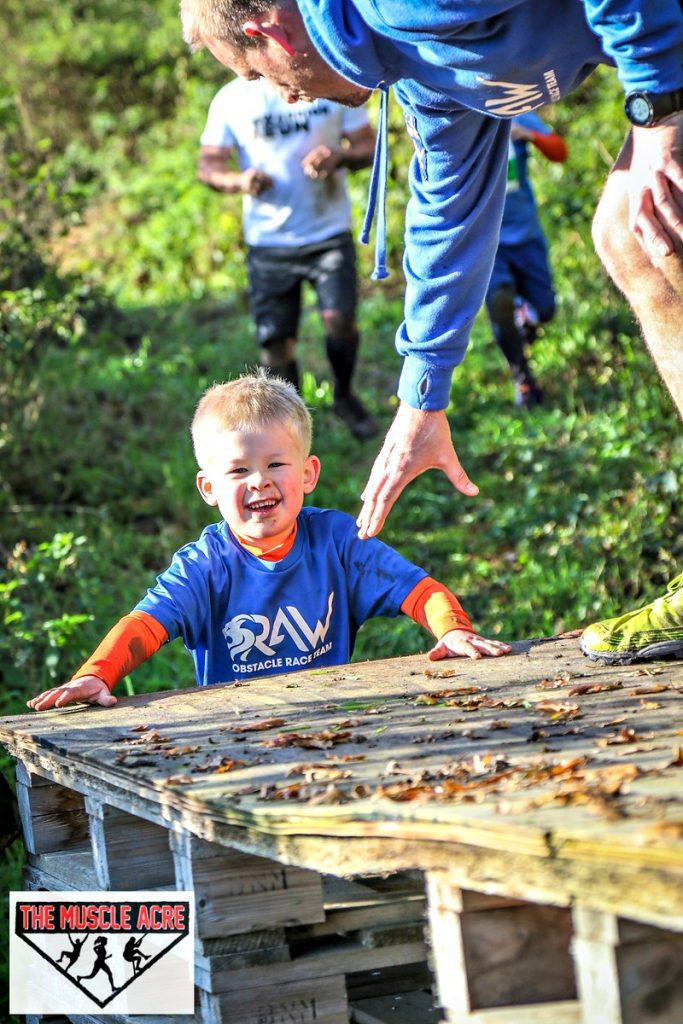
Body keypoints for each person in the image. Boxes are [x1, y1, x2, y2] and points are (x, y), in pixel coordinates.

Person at [178, 0, 683, 666]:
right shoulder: (418, 73)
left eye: (254, 73)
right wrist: (421, 397)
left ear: (266, 31)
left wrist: (657, 109)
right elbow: (448, 216)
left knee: (659, 217)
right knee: (635, 237)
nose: (283, 97)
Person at [27, 372, 509, 710]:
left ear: (308, 473)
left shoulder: (337, 540)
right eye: (238, 470)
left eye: (276, 464)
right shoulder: (204, 565)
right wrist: (97, 672)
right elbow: (145, 624)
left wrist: (452, 629)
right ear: (209, 490)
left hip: (332, 723)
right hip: (233, 735)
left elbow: (418, 590)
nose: (259, 482)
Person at [197, 76, 379, 440]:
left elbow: (368, 146)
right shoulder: (231, 98)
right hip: (268, 242)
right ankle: (288, 426)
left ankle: (344, 396)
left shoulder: (325, 79)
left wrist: (339, 156)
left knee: (340, 322)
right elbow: (208, 167)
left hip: (328, 233)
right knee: (276, 344)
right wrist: (240, 180)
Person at [486, 113, 568, 409]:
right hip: (487, 240)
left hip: (526, 233)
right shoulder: (460, 116)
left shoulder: (514, 110)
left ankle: (527, 315)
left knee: (545, 309)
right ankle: (523, 379)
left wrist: (529, 135)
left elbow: (560, 151)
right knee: (499, 300)